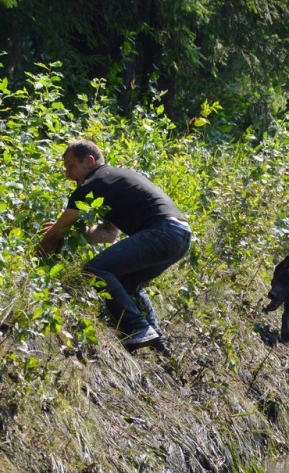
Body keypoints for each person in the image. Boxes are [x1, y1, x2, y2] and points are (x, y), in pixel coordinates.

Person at [37, 139, 191, 352]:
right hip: (180, 236)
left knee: (94, 269)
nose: (67, 174)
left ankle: (137, 327)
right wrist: (70, 231)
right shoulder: (116, 179)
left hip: (161, 233)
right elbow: (108, 234)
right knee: (126, 284)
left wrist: (35, 259)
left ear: (89, 161)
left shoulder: (91, 185)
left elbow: (55, 236)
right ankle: (156, 340)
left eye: (71, 166)